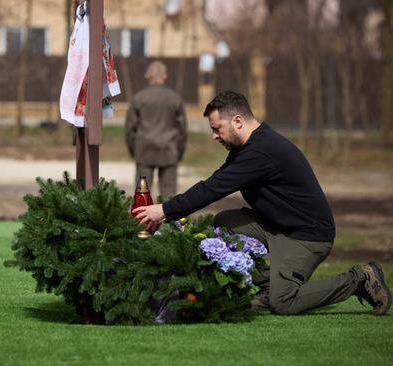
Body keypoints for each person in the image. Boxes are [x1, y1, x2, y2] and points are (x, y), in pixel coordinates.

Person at [133, 90, 391, 316]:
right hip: (276, 226)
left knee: (284, 302)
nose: (214, 136)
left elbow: (213, 188)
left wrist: (164, 210)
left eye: (216, 128)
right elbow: (216, 181)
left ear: (237, 121)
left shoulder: (261, 151)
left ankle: (360, 278)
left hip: (307, 236)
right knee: (225, 224)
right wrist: (168, 211)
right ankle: (266, 285)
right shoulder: (247, 148)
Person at [125, 61, 187, 197]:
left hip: (144, 150)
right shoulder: (175, 98)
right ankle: (169, 219)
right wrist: (179, 152)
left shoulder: (139, 98)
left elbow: (130, 128)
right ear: (165, 76)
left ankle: (140, 219)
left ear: (147, 75)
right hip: (169, 150)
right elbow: (182, 130)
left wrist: (133, 150)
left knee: (142, 195)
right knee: (169, 197)